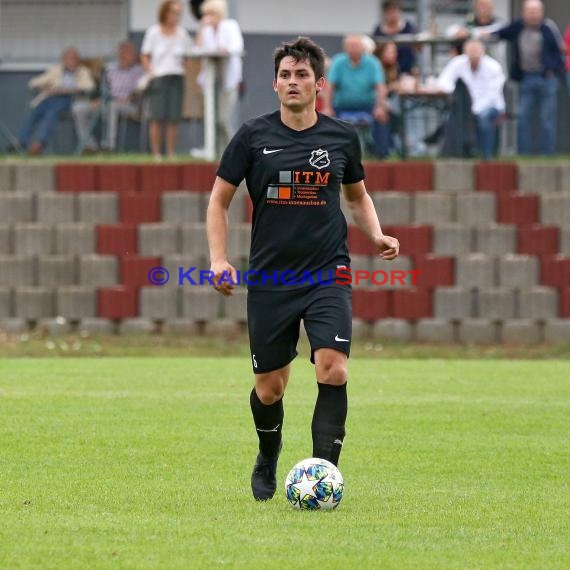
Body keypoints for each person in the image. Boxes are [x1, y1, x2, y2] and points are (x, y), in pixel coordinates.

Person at [206, 36, 399, 501]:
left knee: (332, 368)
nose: (293, 82)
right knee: (270, 389)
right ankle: (268, 455)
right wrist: (218, 259)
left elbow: (357, 197)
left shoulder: (340, 137)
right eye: (286, 75)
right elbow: (219, 200)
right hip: (272, 277)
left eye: (302, 75)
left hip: (327, 271)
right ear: (275, 84)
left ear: (319, 85)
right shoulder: (253, 136)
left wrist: (375, 234)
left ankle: (322, 476)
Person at [490, 0, 564, 155]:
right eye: (530, 11)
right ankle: (523, 153)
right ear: (524, 13)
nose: (533, 14)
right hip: (526, 79)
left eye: (536, 11)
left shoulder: (548, 28)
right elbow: (499, 32)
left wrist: (551, 69)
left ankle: (547, 154)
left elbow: (560, 51)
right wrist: (479, 33)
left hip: (546, 78)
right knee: (522, 117)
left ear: (541, 12)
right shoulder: (518, 27)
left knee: (547, 119)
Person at [16, 47, 94, 155]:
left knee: (53, 111)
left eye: (74, 59)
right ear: (64, 60)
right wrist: (45, 87)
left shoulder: (83, 71)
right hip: (50, 97)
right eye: (69, 59)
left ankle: (39, 143)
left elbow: (89, 86)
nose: (72, 61)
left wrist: (67, 89)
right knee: (35, 111)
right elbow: (34, 82)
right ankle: (21, 142)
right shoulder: (56, 70)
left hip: (70, 99)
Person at [141, 0, 193, 160]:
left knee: (173, 118)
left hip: (176, 77)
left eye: (178, 13)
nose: (175, 17)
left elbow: (188, 56)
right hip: (158, 78)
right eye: (172, 12)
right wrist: (151, 71)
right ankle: (157, 154)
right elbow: (144, 55)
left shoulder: (182, 34)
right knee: (156, 117)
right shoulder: (153, 32)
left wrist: (185, 67)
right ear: (164, 13)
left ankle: (171, 153)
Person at [322, 34, 389, 158]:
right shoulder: (338, 62)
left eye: (356, 46)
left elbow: (380, 86)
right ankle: (330, 154)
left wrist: (380, 106)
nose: (353, 49)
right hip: (341, 106)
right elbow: (330, 86)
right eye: (350, 46)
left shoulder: (373, 63)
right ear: (345, 48)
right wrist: (327, 107)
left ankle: (381, 154)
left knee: (381, 116)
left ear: (363, 48)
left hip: (368, 106)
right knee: (326, 119)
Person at [437, 39, 506, 159]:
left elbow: (492, 96)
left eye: (476, 53)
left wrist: (472, 110)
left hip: (490, 106)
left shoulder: (493, 67)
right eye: (470, 53)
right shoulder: (458, 62)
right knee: (449, 117)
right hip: (466, 107)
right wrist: (454, 91)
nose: (473, 57)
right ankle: (460, 153)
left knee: (483, 119)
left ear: (483, 52)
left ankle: (487, 156)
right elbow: (443, 81)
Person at [72, 41, 144, 152]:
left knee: (112, 106)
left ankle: (108, 146)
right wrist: (98, 99)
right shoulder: (110, 69)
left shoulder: (139, 70)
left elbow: (139, 90)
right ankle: (90, 147)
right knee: (79, 108)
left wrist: (128, 97)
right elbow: (103, 88)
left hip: (130, 104)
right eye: (129, 53)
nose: (133, 56)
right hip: (107, 101)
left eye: (133, 53)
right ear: (121, 54)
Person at [195, 0, 244, 151]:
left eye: (210, 14)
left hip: (228, 80)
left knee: (223, 118)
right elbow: (198, 48)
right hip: (212, 80)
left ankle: (233, 151)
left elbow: (237, 46)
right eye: (205, 14)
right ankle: (215, 150)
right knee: (212, 119)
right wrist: (202, 28)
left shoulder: (230, 26)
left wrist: (226, 49)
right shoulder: (207, 30)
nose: (207, 17)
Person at [372, 0, 417, 75]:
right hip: (384, 72)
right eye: (389, 11)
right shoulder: (379, 30)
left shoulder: (408, 28)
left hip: (406, 70)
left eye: (395, 11)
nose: (393, 14)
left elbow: (417, 47)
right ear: (385, 13)